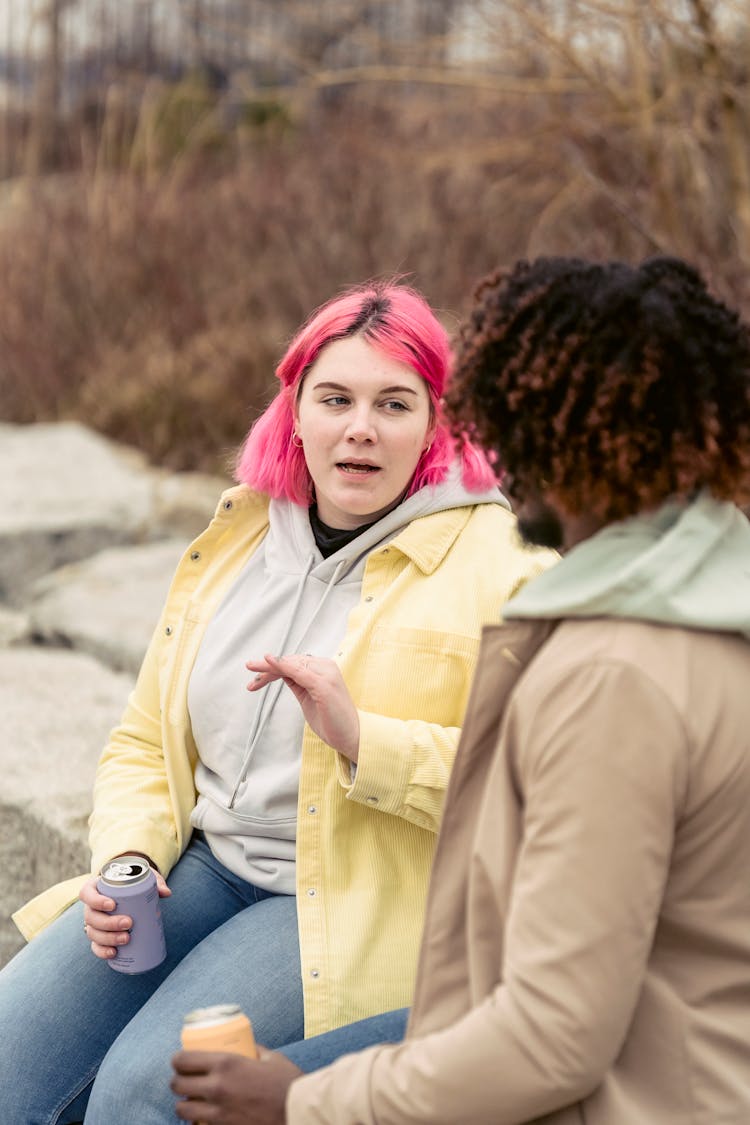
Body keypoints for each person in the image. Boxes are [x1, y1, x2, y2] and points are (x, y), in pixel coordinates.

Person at [172, 255, 750, 1124]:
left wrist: (307, 1099)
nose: (491, 457)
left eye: (511, 425)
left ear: (573, 438)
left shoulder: (616, 676)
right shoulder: (706, 607)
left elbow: (552, 1036)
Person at [0, 279, 553, 1124]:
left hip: (344, 900)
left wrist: (363, 737)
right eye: (334, 398)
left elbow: (543, 780)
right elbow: (145, 738)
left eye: (394, 403)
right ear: (296, 410)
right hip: (198, 873)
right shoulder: (240, 535)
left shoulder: (505, 566)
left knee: (143, 1095)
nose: (360, 427)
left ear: (439, 422)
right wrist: (131, 858)